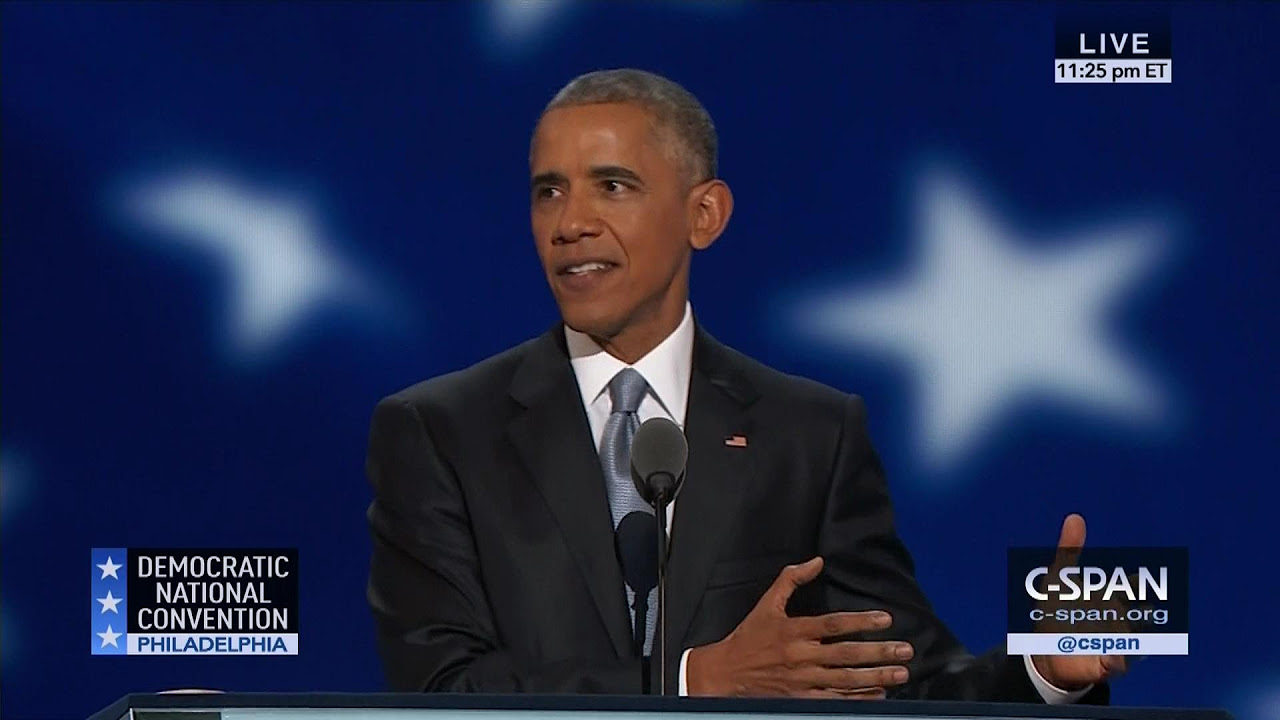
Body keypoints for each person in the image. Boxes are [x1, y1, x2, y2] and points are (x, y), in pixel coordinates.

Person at [365, 68, 1123, 700]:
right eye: (548, 191)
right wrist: (695, 680)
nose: (572, 222)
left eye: (614, 186)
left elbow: (902, 681)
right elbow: (440, 687)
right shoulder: (438, 432)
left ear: (705, 214)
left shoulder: (810, 436)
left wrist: (1044, 671)